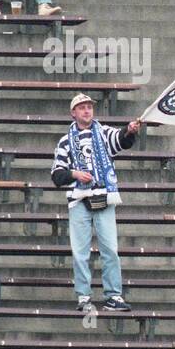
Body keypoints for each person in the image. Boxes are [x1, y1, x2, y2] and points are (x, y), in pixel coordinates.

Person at [50, 93, 140, 312]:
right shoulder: (65, 141)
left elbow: (121, 141)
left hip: (104, 198)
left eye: (89, 107)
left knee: (110, 249)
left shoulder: (104, 132)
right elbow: (56, 175)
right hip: (79, 201)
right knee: (80, 252)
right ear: (74, 113)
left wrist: (129, 130)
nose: (87, 110)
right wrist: (75, 174)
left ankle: (114, 295)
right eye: (82, 107)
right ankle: (83, 296)